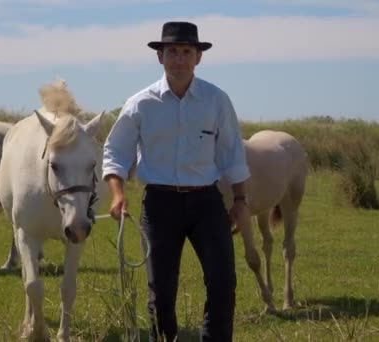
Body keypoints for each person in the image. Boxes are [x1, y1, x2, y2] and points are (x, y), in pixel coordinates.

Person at [102, 21, 250, 341]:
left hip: (207, 203)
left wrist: (240, 201)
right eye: (172, 52)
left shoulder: (216, 100)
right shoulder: (140, 104)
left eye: (186, 52)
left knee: (223, 281)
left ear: (198, 57)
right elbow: (115, 151)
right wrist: (117, 193)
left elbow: (232, 154)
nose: (179, 59)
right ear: (160, 57)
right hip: (159, 205)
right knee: (161, 291)